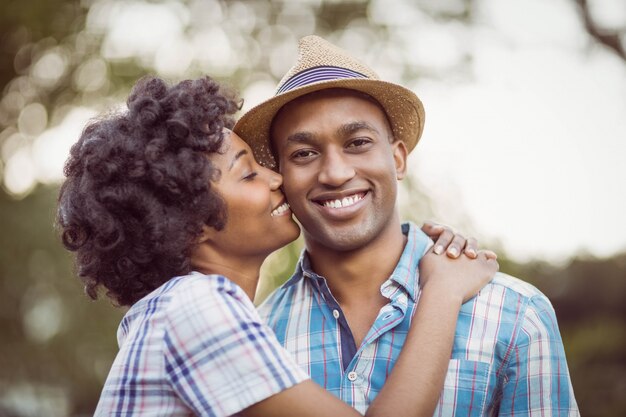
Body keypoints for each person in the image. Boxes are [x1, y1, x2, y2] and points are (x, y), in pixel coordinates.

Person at [57, 75, 498, 417]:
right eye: (249, 174)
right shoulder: (197, 307)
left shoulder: (174, 312)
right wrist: (442, 290)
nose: (276, 179)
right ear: (190, 226)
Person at [233, 35, 580, 416]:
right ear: (280, 175)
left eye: (358, 143)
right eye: (304, 153)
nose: (335, 173)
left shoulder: (514, 316)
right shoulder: (255, 340)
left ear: (398, 159)